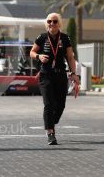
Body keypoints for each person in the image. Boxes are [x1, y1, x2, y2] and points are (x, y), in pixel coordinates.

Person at [30, 13, 79, 145]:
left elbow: (70, 57)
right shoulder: (42, 37)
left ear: (59, 23)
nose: (52, 23)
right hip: (45, 74)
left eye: (55, 21)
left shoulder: (65, 38)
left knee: (61, 105)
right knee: (48, 104)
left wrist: (73, 73)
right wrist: (39, 56)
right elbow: (32, 52)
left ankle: (52, 120)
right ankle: (51, 133)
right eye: (49, 21)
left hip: (60, 74)